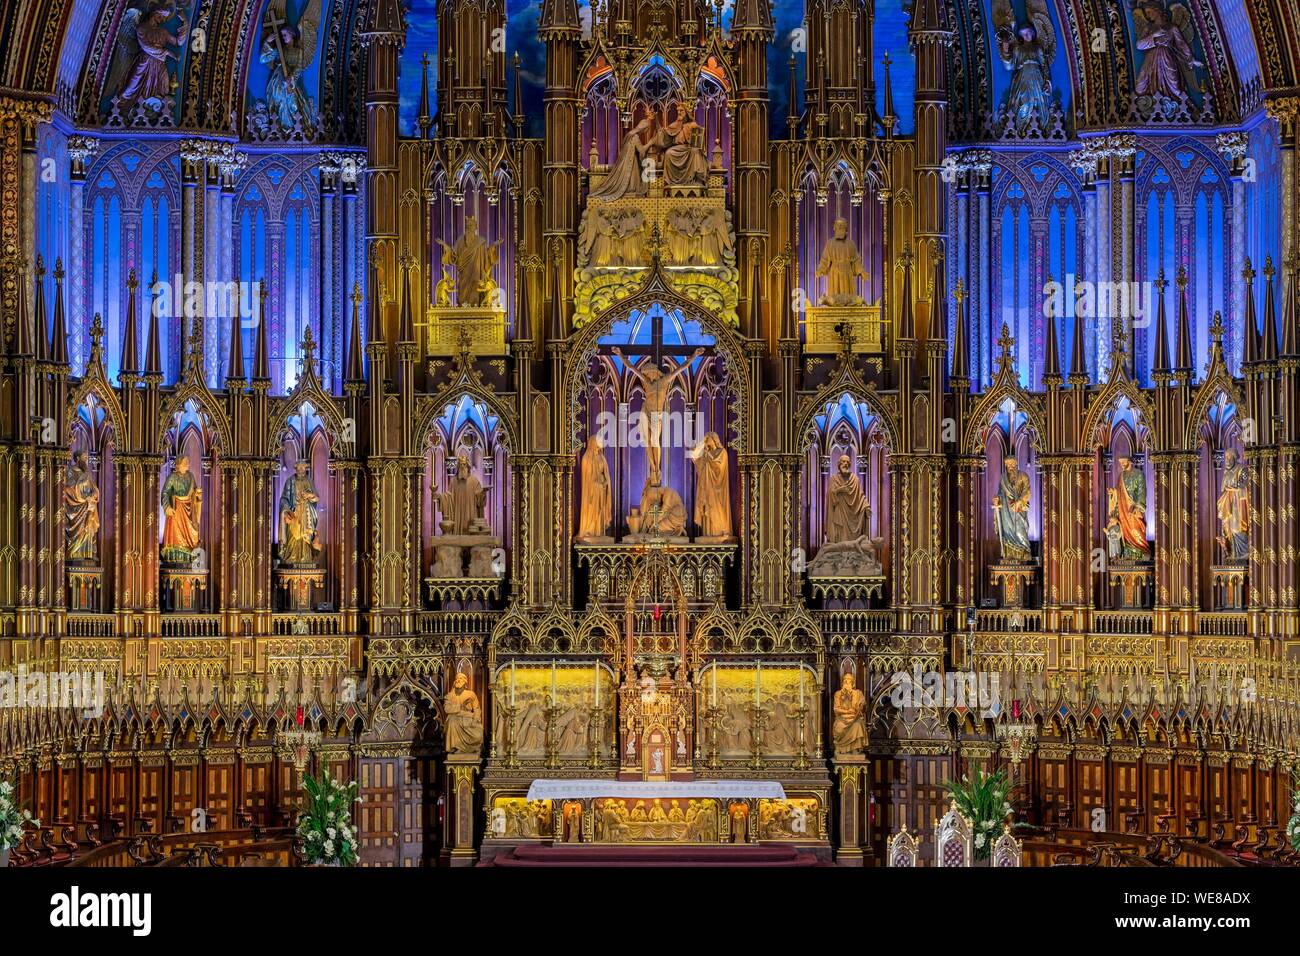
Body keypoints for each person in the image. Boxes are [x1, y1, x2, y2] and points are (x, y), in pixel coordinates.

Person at [161, 455, 203, 564]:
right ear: (178, 465)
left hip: (189, 509)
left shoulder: (190, 476)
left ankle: (190, 554)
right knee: (175, 535)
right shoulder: (172, 477)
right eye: (185, 462)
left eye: (188, 462)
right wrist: (167, 507)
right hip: (177, 509)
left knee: (193, 532)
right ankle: (175, 556)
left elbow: (194, 492)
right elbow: (165, 492)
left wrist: (197, 493)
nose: (187, 464)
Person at [278, 459, 321, 564]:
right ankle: (291, 557)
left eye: (304, 467)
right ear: (296, 468)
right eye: (300, 467)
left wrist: (309, 496)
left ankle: (306, 558)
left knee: (305, 537)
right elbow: (284, 499)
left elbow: (316, 497)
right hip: (295, 513)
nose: (302, 469)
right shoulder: (290, 481)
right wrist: (286, 510)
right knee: (293, 535)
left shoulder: (309, 481)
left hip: (306, 514)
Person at [993, 455, 1032, 562]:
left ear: (1016, 463)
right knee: (1008, 532)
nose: (1010, 466)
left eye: (1011, 464)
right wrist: (997, 499)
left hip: (1018, 510)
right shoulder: (1003, 478)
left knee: (1020, 532)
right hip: (1006, 511)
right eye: (1007, 464)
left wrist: (1019, 502)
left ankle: (1024, 554)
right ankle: (1009, 554)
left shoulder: (1023, 476)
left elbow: (1027, 492)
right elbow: (1001, 493)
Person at [65, 451, 101, 562]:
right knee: (79, 530)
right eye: (84, 457)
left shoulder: (87, 473)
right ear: (77, 458)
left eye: (86, 458)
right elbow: (68, 488)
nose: (86, 460)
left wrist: (93, 495)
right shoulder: (70, 471)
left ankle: (88, 553)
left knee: (89, 527)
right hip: (76, 507)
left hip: (88, 506)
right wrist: (83, 498)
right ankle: (74, 552)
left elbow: (94, 488)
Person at [443, 673, 484, 754]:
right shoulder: (450, 696)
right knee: (452, 721)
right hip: (455, 717)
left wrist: (475, 719)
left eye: (461, 678)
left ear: (465, 682)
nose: (458, 680)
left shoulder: (470, 694)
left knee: (478, 731)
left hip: (468, 717)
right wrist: (461, 706)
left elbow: (477, 709)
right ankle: (456, 747)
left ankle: (474, 748)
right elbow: (447, 709)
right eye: (457, 678)